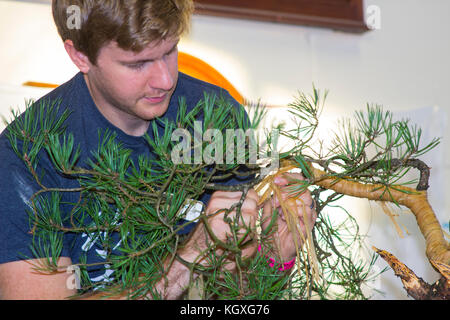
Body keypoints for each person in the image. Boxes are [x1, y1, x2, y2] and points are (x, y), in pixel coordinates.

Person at [0, 0, 316, 299]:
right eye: (138, 64)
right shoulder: (27, 156)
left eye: (170, 51)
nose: (165, 80)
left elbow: (232, 294)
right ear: (80, 55)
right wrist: (192, 255)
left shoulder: (216, 117)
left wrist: (275, 257)